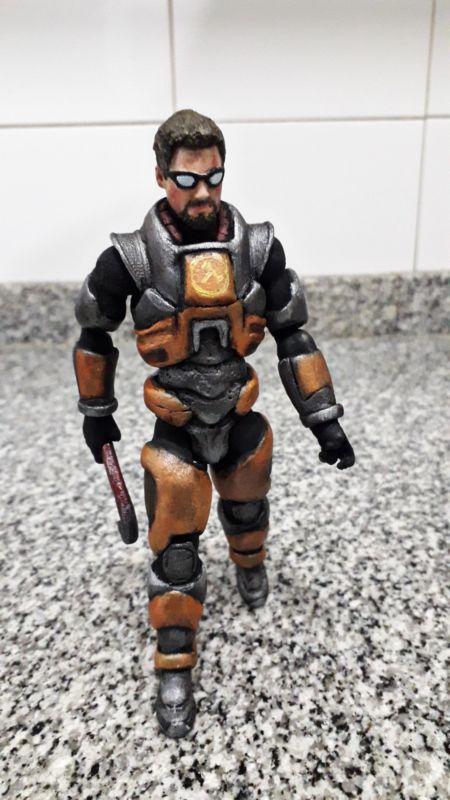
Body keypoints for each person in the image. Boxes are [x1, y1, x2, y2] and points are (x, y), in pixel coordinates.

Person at [74, 109, 355, 738]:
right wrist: (96, 412)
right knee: (176, 552)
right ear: (160, 176)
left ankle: (250, 565)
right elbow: (93, 335)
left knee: (248, 504)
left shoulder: (258, 248)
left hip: (239, 411)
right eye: (185, 179)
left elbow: (293, 335)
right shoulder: (130, 260)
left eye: (213, 177)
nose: (202, 192)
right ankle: (175, 662)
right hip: (174, 423)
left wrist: (323, 418)